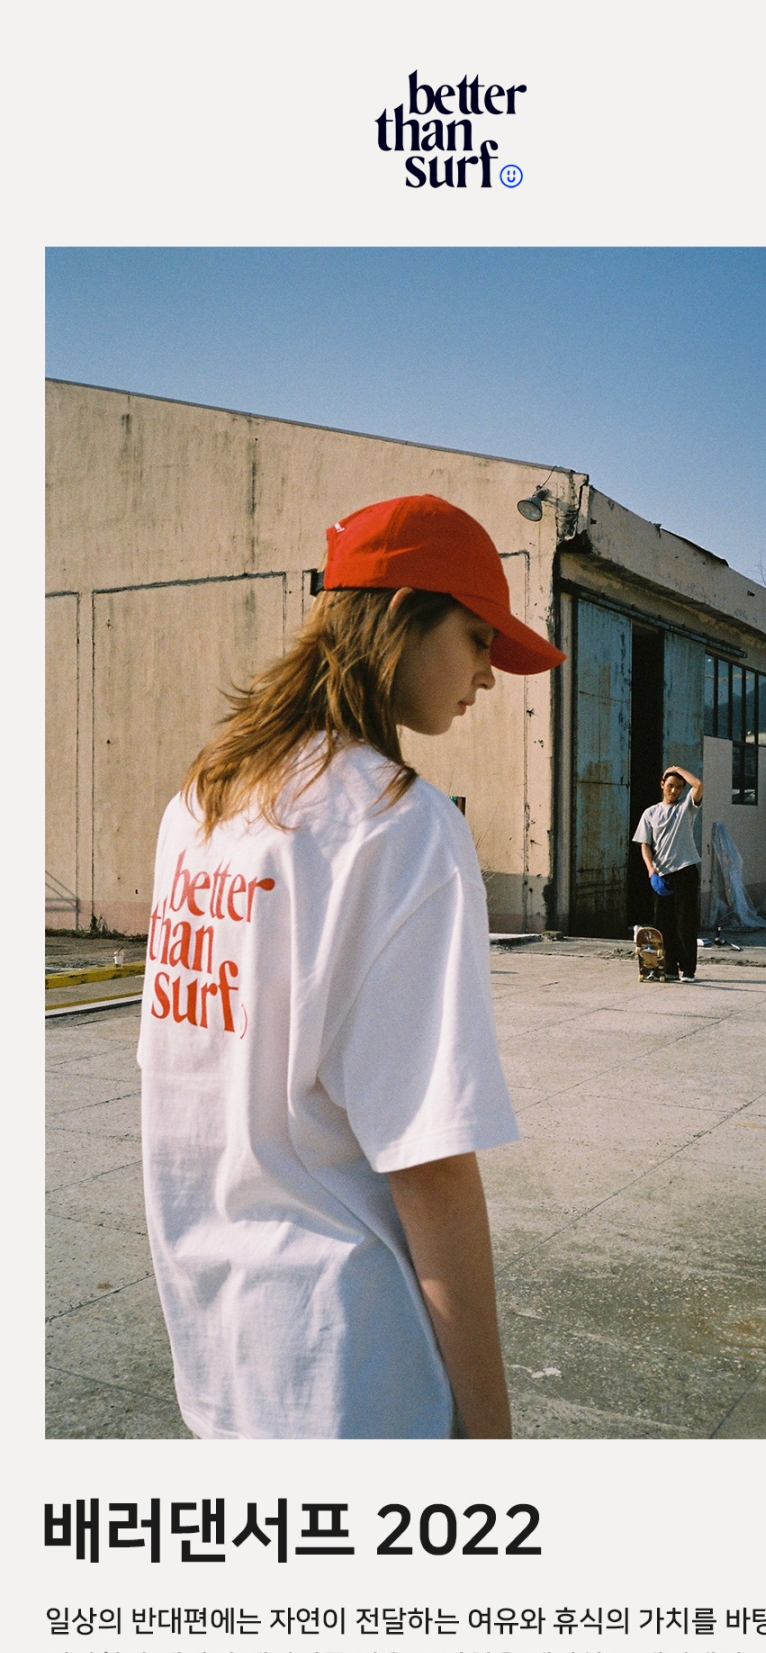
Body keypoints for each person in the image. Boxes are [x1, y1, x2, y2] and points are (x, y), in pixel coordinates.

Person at [137, 494, 565, 1440]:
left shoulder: (203, 805)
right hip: (352, 1366)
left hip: (219, 1353)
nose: (489, 676)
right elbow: (430, 1158)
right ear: (402, 616)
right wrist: (492, 1434)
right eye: (479, 639)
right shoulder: (400, 826)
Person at [632, 764, 704, 980]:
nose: (674, 791)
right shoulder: (651, 813)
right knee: (663, 924)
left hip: (685, 871)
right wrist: (651, 870)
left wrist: (677, 769)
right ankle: (669, 967)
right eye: (670, 786)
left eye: (679, 787)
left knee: (685, 923)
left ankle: (688, 970)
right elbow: (645, 844)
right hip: (661, 874)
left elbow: (698, 785)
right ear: (662, 785)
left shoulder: (686, 808)